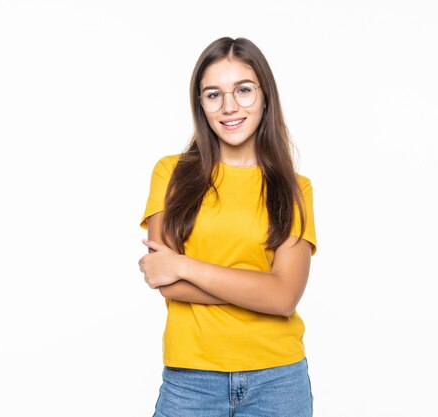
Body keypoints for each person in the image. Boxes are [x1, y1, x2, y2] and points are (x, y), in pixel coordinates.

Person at [138, 36, 317, 417]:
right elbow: (163, 279)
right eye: (214, 94)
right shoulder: (171, 174)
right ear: (200, 105)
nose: (230, 106)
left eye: (244, 90)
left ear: (265, 96)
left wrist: (186, 265)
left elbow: (284, 296)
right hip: (191, 380)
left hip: (278, 380)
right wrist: (258, 287)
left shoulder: (295, 189)